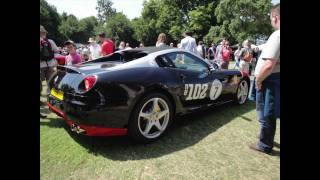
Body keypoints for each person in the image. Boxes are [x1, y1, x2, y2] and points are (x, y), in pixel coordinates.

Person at [249, 3, 280, 155]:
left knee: (268, 112)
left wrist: (258, 80)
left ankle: (264, 144)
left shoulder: (277, 35)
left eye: (270, 18)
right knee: (270, 111)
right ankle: (266, 137)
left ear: (275, 17)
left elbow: (268, 65)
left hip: (270, 78)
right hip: (275, 77)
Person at [40, 25, 59, 96]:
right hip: (51, 65)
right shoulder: (50, 41)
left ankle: (41, 101)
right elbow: (57, 50)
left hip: (40, 66)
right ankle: (52, 98)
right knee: (51, 82)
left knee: (41, 84)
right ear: (44, 33)